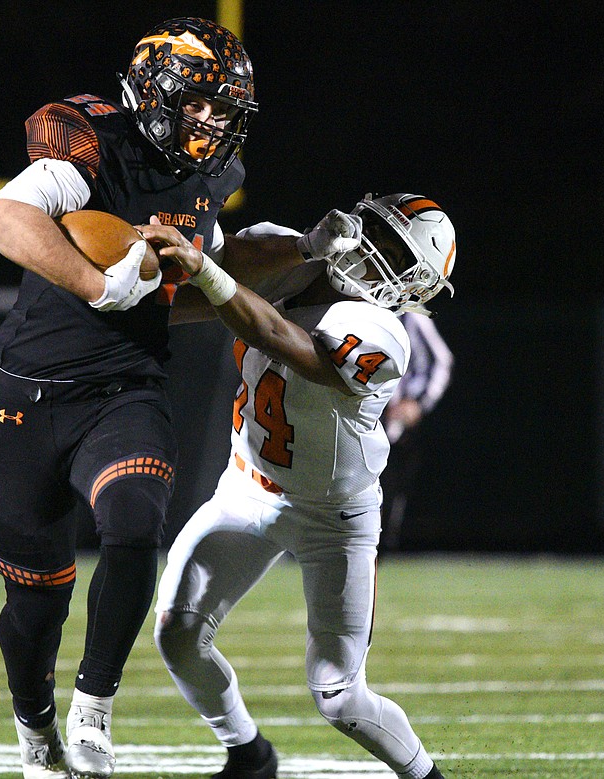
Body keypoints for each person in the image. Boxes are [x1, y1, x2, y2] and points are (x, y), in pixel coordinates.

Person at [0, 18, 361, 779]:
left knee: (130, 527)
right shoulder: (92, 138)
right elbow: (4, 217)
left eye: (227, 112)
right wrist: (98, 282)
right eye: (201, 105)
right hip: (25, 393)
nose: (214, 124)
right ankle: (36, 729)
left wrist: (306, 249)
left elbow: (194, 278)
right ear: (153, 90)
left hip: (125, 387)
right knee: (36, 607)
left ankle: (94, 702)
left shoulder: (212, 176)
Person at [140, 192, 455, 779]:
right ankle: (248, 754)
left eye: (392, 251)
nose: (370, 251)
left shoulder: (384, 333)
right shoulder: (295, 252)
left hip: (332, 514)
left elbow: (281, 340)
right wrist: (295, 248)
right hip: (246, 485)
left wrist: (207, 271)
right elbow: (188, 298)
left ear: (414, 283)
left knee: (339, 694)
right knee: (178, 634)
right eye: (372, 232)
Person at [378, 313, 453, 552]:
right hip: (355, 416)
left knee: (387, 487)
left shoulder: (411, 317)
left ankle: (381, 547)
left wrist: (419, 402)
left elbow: (441, 361)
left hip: (390, 420)